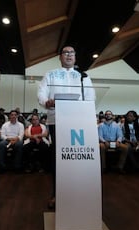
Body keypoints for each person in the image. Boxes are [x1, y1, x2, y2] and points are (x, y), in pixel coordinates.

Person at [37, 45, 96, 209]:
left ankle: (78, 192)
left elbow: (91, 97)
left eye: (72, 53)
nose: (69, 55)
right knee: (59, 159)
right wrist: (46, 101)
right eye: (66, 53)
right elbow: (41, 93)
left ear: (75, 57)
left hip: (79, 122)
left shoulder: (83, 76)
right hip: (57, 121)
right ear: (60, 57)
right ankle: (57, 194)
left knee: (77, 158)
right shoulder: (50, 74)